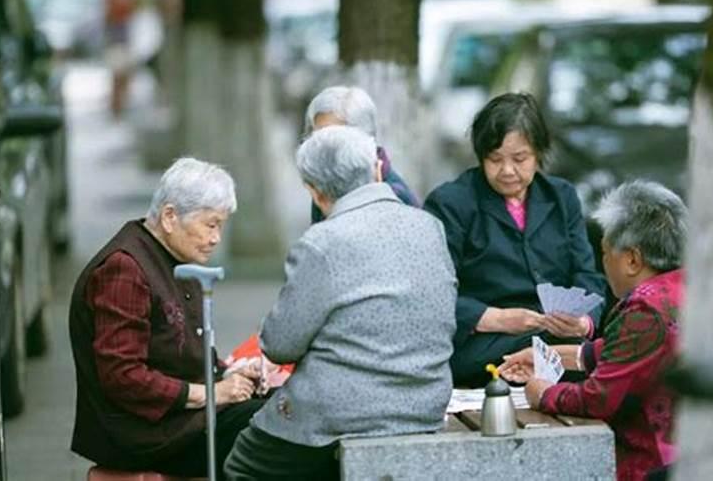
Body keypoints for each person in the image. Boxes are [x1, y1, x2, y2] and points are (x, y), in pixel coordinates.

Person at [224, 126, 457, 480]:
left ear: (315, 193)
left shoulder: (321, 242)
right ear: (377, 170)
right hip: (425, 405)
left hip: (340, 416)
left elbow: (280, 344)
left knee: (243, 464)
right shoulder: (429, 227)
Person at [69, 158, 264, 477]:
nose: (216, 238)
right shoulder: (124, 269)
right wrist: (210, 395)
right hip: (146, 435)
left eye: (220, 227)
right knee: (271, 434)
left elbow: (188, 352)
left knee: (282, 410)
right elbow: (122, 376)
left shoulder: (177, 256)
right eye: (210, 224)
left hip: (181, 421)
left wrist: (232, 374)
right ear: (171, 217)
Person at [499, 180, 687, 481]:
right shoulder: (687, 287)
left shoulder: (645, 309)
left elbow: (600, 398)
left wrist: (543, 393)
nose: (603, 263)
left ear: (632, 259)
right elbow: (625, 352)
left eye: (605, 252)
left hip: (655, 466)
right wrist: (553, 356)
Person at [423, 92, 607, 388]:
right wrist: (497, 318)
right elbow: (430, 291)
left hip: (558, 336)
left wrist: (584, 322)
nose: (507, 170)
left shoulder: (561, 198)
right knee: (568, 356)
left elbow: (587, 274)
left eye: (520, 159)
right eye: (495, 159)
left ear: (539, 154)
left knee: (590, 351)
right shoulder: (451, 203)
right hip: (483, 342)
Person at [304, 85, 420, 222]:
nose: (320, 147)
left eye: (334, 137)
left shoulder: (395, 197)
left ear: (365, 137)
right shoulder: (328, 181)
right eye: (318, 137)